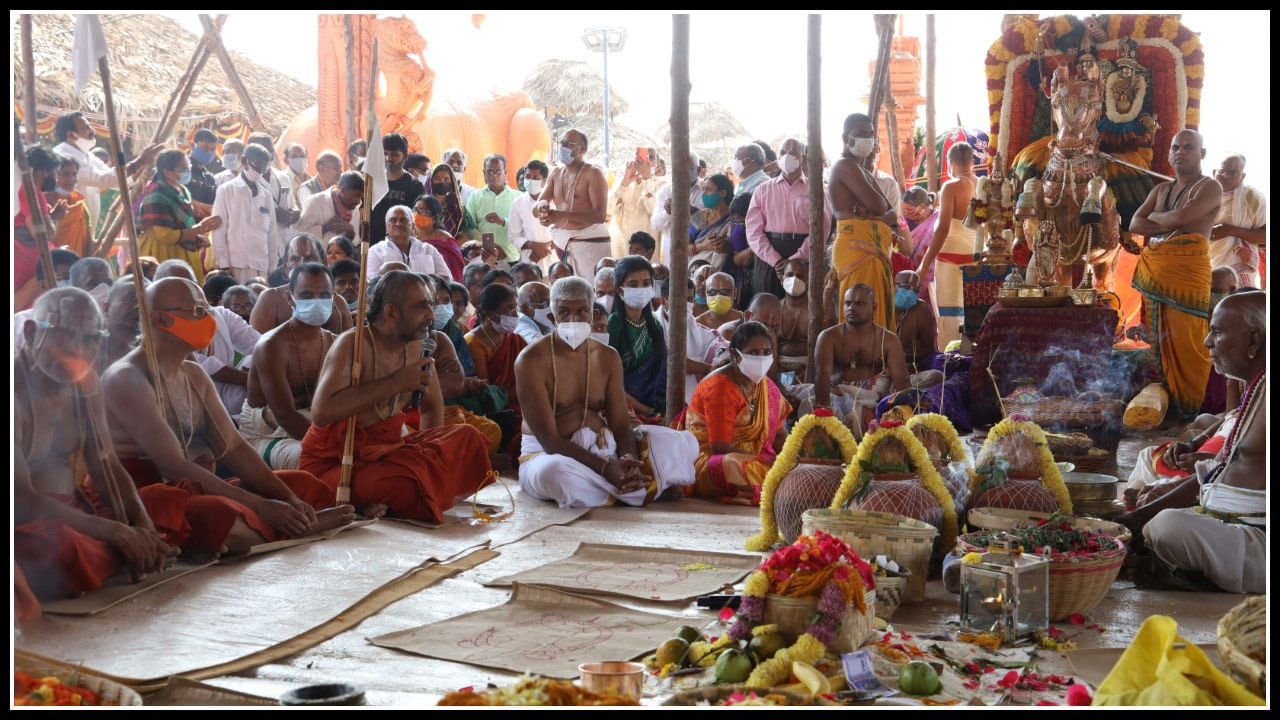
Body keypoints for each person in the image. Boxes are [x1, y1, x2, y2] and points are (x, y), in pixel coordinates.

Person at [103, 278, 354, 555]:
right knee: (224, 515)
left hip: (200, 487)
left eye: (207, 309)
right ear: (160, 318)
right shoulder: (126, 377)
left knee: (302, 485)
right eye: (197, 311)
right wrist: (262, 506)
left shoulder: (194, 373)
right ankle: (293, 527)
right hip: (149, 496)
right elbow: (172, 466)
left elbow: (233, 447)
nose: (208, 319)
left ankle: (284, 524)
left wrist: (288, 498)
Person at [15, 288, 179, 601]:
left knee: (163, 502)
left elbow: (106, 465)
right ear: (30, 331)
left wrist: (141, 524)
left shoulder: (85, 382)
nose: (77, 350)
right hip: (29, 523)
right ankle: (124, 556)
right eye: (64, 335)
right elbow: (22, 501)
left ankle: (135, 551)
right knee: (58, 547)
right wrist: (117, 533)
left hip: (76, 511)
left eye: (91, 339)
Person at [302, 271, 493, 523]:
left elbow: (431, 409)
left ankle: (395, 498)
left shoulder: (417, 346)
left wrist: (430, 460)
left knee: (470, 438)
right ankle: (388, 498)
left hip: (389, 453)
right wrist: (394, 383)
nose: (432, 316)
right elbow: (322, 411)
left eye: (431, 306)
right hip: (338, 465)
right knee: (399, 481)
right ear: (391, 312)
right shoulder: (354, 345)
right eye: (421, 307)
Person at [1121, 292, 1264, 594]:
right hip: (1227, 523)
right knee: (1152, 517)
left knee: (1166, 527)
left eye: (1217, 332)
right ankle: (1180, 565)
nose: (1207, 342)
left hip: (1257, 542)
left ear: (1253, 341)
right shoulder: (1257, 387)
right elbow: (1221, 471)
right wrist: (1135, 518)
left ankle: (1187, 573)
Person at [516, 276, 698, 507]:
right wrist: (606, 469)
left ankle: (625, 482)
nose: (574, 319)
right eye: (564, 312)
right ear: (552, 318)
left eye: (582, 311)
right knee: (554, 473)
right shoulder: (531, 361)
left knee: (682, 442)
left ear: (592, 316)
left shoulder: (607, 356)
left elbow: (620, 423)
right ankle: (639, 488)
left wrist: (628, 458)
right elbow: (550, 440)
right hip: (549, 454)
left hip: (603, 450)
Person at [1128, 130, 1222, 417]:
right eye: (1175, 147)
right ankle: (1167, 408)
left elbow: (1182, 218)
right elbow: (1134, 223)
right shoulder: (1160, 191)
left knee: (1189, 344)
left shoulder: (1210, 187)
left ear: (1202, 154)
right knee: (1161, 342)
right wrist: (1168, 222)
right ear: (1169, 154)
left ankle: (1193, 410)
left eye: (1189, 147)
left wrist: (1156, 218)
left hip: (1187, 277)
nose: (1180, 152)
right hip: (1158, 276)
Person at [680, 321, 791, 504]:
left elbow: (780, 434)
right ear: (735, 354)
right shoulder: (720, 386)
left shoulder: (767, 387)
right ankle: (779, 484)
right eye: (753, 352)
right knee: (730, 465)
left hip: (759, 461)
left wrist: (789, 458)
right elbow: (720, 448)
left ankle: (777, 481)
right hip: (709, 460)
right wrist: (769, 464)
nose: (761, 358)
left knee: (797, 464)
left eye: (766, 352)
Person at [240, 263, 336, 470]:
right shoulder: (271, 346)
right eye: (307, 295)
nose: (317, 301)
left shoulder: (333, 342)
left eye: (324, 295)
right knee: (313, 460)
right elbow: (285, 415)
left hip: (316, 427)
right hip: (268, 434)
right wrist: (334, 447)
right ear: (289, 297)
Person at [797, 285, 909, 436]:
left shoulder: (888, 340)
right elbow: (822, 378)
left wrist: (892, 410)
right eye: (848, 303)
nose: (852, 308)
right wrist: (824, 413)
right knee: (808, 406)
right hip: (839, 396)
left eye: (859, 303)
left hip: (876, 399)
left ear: (874, 308)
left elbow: (901, 384)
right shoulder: (829, 337)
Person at [828, 114, 895, 330]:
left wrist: (877, 214)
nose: (867, 139)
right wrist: (878, 212)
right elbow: (878, 205)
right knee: (860, 314)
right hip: (856, 251)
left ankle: (878, 362)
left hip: (871, 250)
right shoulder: (844, 166)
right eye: (861, 134)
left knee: (875, 311)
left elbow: (891, 211)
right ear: (845, 137)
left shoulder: (862, 171)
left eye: (870, 134)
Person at [746, 138, 833, 298]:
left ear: (804, 159)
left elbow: (822, 229)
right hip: (769, 257)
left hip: (803, 256)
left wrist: (797, 259)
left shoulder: (817, 190)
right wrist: (776, 261)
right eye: (783, 152)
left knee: (802, 309)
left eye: (793, 153)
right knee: (767, 305)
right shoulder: (763, 190)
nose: (787, 156)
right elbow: (753, 232)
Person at [52, 111, 162, 232]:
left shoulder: (85, 154)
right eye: (86, 128)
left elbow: (116, 180)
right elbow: (106, 179)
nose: (91, 130)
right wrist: (139, 161)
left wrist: (143, 164)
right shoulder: (63, 155)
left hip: (83, 226)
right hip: (68, 227)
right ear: (71, 135)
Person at [917, 142, 979, 347]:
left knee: (950, 316)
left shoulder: (951, 186)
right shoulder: (982, 184)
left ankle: (950, 364)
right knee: (972, 315)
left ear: (950, 163)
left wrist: (923, 265)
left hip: (950, 259)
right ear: (971, 161)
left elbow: (942, 229)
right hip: (974, 259)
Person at [137, 150, 222, 285]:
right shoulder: (156, 194)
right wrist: (199, 229)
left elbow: (184, 226)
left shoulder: (183, 190)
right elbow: (166, 236)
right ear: (167, 172)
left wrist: (197, 236)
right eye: (182, 169)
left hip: (185, 252)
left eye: (188, 168)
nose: (187, 172)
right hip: (162, 254)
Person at [536, 129, 611, 279]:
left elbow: (599, 215)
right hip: (563, 243)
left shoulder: (593, 173)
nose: (562, 147)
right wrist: (543, 212)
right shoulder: (556, 173)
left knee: (591, 292)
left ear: (581, 149)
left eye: (567, 144)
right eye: (561, 143)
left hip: (590, 243)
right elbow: (536, 208)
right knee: (568, 293)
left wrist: (561, 216)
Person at [251, 234, 353, 335]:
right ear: (286, 267)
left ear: (323, 263)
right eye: (295, 259)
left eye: (309, 258)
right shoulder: (270, 299)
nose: (302, 263)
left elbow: (348, 347)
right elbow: (256, 346)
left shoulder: (338, 303)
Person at [606, 255, 668, 420]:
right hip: (624, 409)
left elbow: (663, 371)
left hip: (658, 404)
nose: (641, 289)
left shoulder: (654, 325)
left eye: (646, 283)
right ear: (620, 290)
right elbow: (610, 383)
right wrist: (648, 412)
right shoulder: (613, 325)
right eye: (633, 285)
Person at [211, 143, 276, 283]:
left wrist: (272, 266)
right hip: (236, 265)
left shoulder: (266, 195)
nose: (259, 170)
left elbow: (272, 234)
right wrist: (223, 263)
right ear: (244, 160)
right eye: (257, 165)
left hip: (261, 265)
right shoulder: (226, 190)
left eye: (263, 168)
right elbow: (218, 230)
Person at [465, 283, 528, 416]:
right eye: (509, 308)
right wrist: (522, 390)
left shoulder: (514, 339)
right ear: (490, 314)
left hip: (522, 398)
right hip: (496, 407)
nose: (516, 313)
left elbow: (531, 370)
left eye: (515, 307)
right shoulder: (473, 343)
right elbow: (487, 392)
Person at [1209, 154, 1266, 288]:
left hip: (1240, 273)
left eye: (1232, 173)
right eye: (1221, 171)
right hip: (1207, 266)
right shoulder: (1201, 196)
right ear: (1213, 172)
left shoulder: (1253, 198)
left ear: (1242, 176)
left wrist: (1229, 230)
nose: (1225, 176)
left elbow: (1265, 236)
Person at [247, 132, 301, 266]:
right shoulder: (243, 181)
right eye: (264, 150)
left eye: (271, 149)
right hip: (258, 249)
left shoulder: (282, 177)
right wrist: (273, 214)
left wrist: (294, 214)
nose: (269, 154)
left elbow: (293, 204)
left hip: (284, 246)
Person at [366, 205, 452, 281]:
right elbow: (373, 284)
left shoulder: (429, 249)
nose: (398, 223)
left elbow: (446, 279)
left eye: (404, 220)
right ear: (386, 227)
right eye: (393, 220)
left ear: (413, 226)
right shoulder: (375, 252)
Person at [465, 153, 522, 264]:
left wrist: (503, 222)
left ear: (505, 172)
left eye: (498, 171)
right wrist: (489, 246)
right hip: (483, 258)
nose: (494, 175)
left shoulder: (518, 197)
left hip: (511, 258)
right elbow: (469, 227)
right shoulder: (475, 197)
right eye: (489, 171)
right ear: (484, 173)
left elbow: (522, 227)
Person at [369, 133, 424, 246]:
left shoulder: (414, 186)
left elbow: (418, 221)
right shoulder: (371, 183)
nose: (388, 159)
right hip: (373, 245)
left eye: (394, 155)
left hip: (401, 245)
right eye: (385, 154)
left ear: (405, 156)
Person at [609, 146, 664, 258]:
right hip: (621, 252)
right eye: (642, 156)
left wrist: (647, 178)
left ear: (657, 165)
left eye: (651, 157)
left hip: (649, 256)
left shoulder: (663, 185)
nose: (646, 161)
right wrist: (624, 183)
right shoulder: (624, 183)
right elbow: (608, 209)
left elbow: (654, 210)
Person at [508, 160, 557, 273]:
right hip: (529, 262)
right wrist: (533, 246)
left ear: (545, 181)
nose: (530, 181)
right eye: (528, 177)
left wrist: (546, 249)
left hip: (554, 262)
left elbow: (565, 231)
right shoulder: (518, 203)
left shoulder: (556, 201)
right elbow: (513, 236)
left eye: (535, 178)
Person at [893, 269, 939, 378]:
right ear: (893, 286)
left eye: (916, 290)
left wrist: (906, 356)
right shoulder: (881, 306)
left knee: (936, 376)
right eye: (906, 287)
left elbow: (929, 349)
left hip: (909, 369)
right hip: (880, 368)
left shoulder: (921, 309)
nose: (910, 293)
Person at [296, 170, 362, 243]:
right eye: (355, 196)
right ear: (343, 190)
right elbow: (299, 233)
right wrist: (324, 228)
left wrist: (351, 233)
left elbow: (355, 242)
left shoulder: (354, 207)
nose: (358, 201)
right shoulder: (316, 202)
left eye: (360, 197)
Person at [47, 154, 93, 257]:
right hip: (51, 265)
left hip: (76, 266)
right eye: (65, 174)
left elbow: (88, 241)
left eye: (74, 174)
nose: (71, 179)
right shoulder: (43, 203)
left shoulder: (80, 204)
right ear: (53, 175)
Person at [689, 173, 736, 271]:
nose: (704, 193)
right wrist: (703, 246)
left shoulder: (734, 219)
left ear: (723, 193)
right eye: (704, 189)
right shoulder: (701, 216)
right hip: (694, 270)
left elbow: (737, 249)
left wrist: (726, 247)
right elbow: (681, 248)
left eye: (708, 189)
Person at [99, 277, 146, 373]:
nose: (139, 306)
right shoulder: (85, 349)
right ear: (106, 307)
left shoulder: (150, 357)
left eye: (145, 302)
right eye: (132, 298)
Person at [777, 258, 811, 380]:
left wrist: (808, 373)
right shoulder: (774, 308)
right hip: (778, 367)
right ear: (782, 279)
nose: (794, 279)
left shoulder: (818, 311)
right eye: (790, 275)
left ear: (808, 280)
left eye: (800, 276)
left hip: (809, 367)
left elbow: (825, 350)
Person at [902, 187, 939, 284]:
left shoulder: (937, 221)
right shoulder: (907, 222)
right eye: (904, 210)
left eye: (909, 210)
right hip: (908, 274)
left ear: (922, 207)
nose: (906, 213)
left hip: (932, 275)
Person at [186, 128, 221, 216]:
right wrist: (208, 209)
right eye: (205, 148)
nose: (209, 152)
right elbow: (179, 199)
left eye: (213, 149)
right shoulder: (182, 171)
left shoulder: (209, 178)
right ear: (192, 145)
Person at [282, 143, 312, 208]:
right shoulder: (282, 180)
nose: (299, 159)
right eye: (294, 156)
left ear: (307, 158)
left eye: (302, 156)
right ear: (286, 160)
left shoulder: (312, 180)